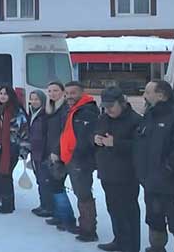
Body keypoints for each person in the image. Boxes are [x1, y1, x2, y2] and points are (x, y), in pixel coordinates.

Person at [136, 80, 174, 252]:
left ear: (161, 95)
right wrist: (142, 172)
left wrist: (167, 169)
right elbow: (140, 146)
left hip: (173, 184)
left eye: (147, 92)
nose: (144, 96)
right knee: (154, 220)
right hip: (151, 182)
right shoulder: (150, 116)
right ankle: (156, 248)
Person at [94, 86, 141, 252]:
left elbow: (141, 147)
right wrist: (96, 139)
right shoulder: (103, 118)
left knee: (128, 212)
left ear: (122, 102)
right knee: (113, 209)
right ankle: (119, 240)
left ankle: (131, 247)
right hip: (107, 173)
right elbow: (95, 134)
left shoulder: (135, 120)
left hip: (127, 175)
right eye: (105, 106)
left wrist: (116, 144)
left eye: (111, 106)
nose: (108, 110)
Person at [61, 81, 100, 241]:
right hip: (72, 159)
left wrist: (76, 156)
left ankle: (89, 230)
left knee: (84, 194)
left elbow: (85, 140)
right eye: (67, 93)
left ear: (82, 93)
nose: (69, 96)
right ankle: (84, 224)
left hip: (81, 161)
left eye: (73, 93)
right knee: (80, 193)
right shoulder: (74, 110)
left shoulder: (87, 112)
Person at [0, 85, 29, 215]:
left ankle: (8, 204)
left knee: (6, 176)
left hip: (11, 149)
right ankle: (5, 200)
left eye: (5, 94)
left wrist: (24, 151)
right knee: (0, 175)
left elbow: (24, 132)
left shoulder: (17, 112)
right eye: (1, 94)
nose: (2, 96)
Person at [43, 81, 77, 232]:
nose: (52, 93)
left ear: (63, 92)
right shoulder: (50, 109)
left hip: (61, 153)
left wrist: (56, 151)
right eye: (49, 91)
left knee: (57, 186)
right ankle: (58, 215)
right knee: (53, 185)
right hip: (51, 152)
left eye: (55, 90)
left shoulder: (64, 109)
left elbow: (64, 133)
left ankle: (68, 219)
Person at [28, 90, 53, 219]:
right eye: (32, 99)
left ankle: (48, 207)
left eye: (36, 99)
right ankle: (43, 204)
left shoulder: (45, 115)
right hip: (35, 152)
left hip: (43, 153)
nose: (34, 102)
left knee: (45, 181)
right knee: (40, 180)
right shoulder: (32, 114)